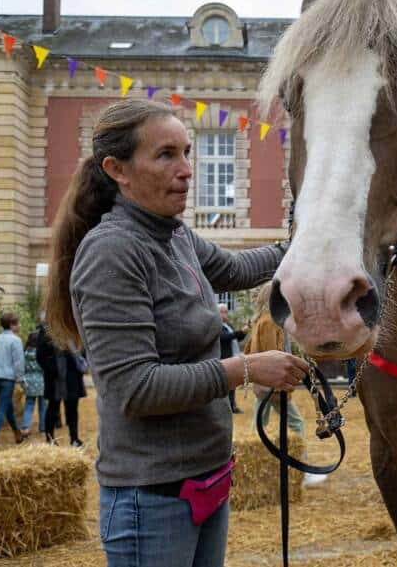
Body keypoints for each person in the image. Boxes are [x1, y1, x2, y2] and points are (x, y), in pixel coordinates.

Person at [44, 99, 311, 567]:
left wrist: (305, 242)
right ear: (117, 169)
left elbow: (236, 267)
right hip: (152, 498)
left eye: (187, 152)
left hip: (204, 478)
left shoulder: (174, 234)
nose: (187, 170)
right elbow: (136, 388)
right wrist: (246, 368)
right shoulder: (114, 252)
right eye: (166, 155)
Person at [243, 282, 328, 486]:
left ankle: (251, 469)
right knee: (296, 423)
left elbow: (249, 351)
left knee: (258, 426)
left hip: (261, 386)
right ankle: (301, 470)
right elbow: (275, 358)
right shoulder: (271, 322)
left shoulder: (260, 321)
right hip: (273, 387)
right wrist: (282, 385)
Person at [35, 321, 87, 447]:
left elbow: (81, 348)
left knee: (72, 408)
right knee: (53, 408)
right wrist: (51, 368)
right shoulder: (47, 328)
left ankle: (74, 439)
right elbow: (40, 355)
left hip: (71, 375)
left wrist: (80, 366)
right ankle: (50, 439)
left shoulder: (72, 324)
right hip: (55, 377)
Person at [0, 312, 25, 447]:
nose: (20, 325)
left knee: (8, 408)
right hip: (7, 379)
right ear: (12, 325)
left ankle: (17, 434)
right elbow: (19, 362)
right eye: (18, 323)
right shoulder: (16, 340)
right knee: (2, 408)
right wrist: (21, 380)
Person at [218, 304, 247, 414]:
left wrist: (244, 332)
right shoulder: (216, 326)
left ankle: (232, 405)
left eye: (226, 311)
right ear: (218, 313)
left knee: (233, 383)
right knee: (225, 384)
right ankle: (226, 407)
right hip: (224, 358)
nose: (226, 314)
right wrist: (240, 332)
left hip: (234, 356)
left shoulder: (228, 325)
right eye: (223, 312)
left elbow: (237, 338)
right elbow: (225, 337)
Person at [21, 323, 47, 435]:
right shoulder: (41, 354)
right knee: (43, 406)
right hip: (42, 381)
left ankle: (26, 427)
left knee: (29, 405)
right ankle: (43, 427)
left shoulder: (25, 353)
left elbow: (22, 368)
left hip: (29, 382)